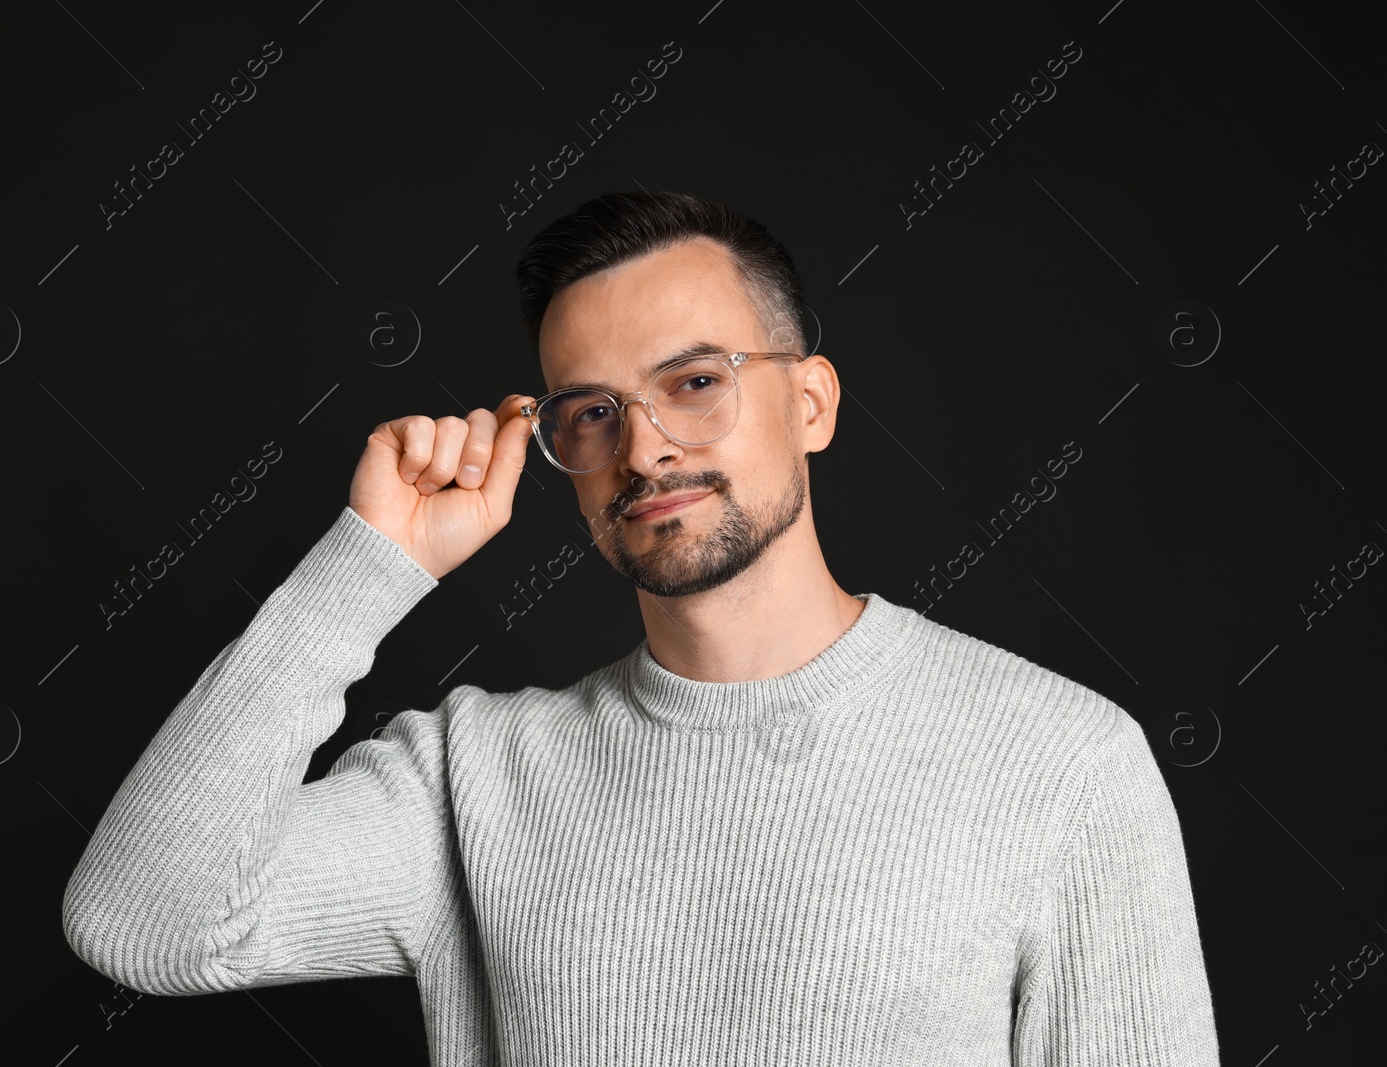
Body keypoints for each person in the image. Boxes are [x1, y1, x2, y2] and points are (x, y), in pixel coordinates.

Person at [61, 191, 1221, 1065]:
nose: (646, 446)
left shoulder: (1063, 762)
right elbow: (140, 922)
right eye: (592, 411)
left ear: (807, 401)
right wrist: (368, 567)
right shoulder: (471, 779)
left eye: (697, 382)